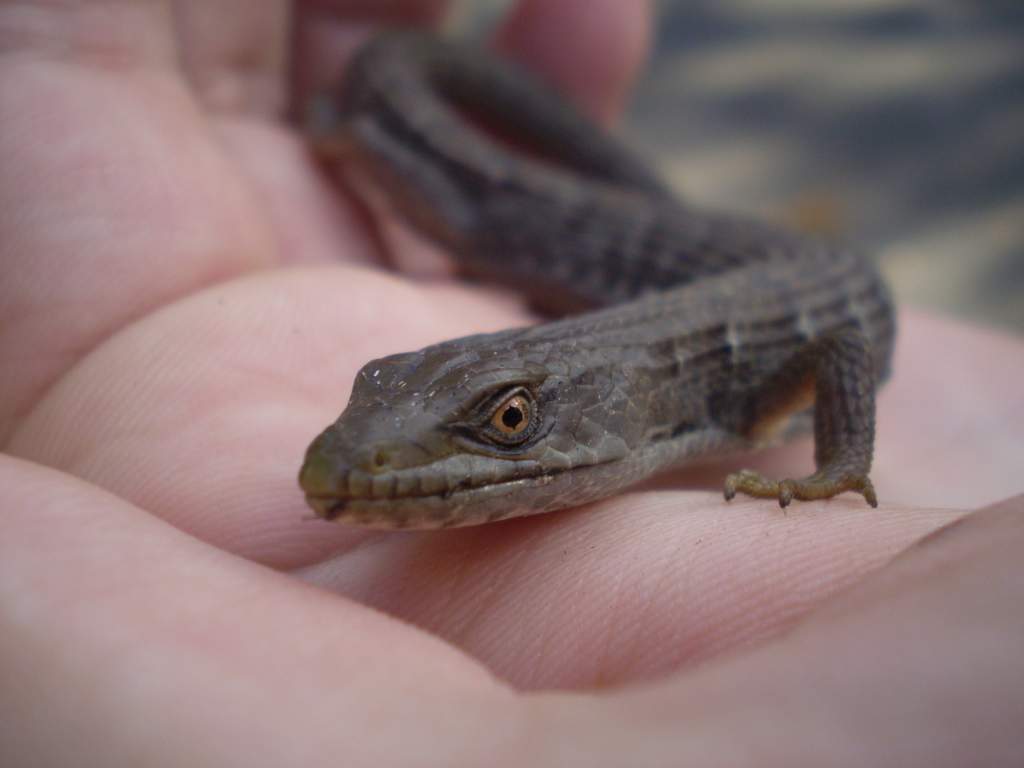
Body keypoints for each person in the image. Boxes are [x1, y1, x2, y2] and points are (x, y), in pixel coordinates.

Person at [1, 1, 1021, 764]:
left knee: (503, 221)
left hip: (769, 290)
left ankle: (375, 118)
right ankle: (379, 111)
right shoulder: (644, 357)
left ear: (586, 412)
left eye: (511, 419)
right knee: (496, 221)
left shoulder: (739, 390)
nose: (369, 456)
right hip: (704, 273)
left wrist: (841, 467)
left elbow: (840, 347)